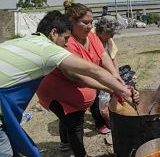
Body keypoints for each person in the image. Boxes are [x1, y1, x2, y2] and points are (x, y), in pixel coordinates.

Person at [0, 10, 135, 157]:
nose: (66, 45)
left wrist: (115, 83)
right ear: (53, 33)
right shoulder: (48, 49)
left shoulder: (26, 41)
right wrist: (122, 90)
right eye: (65, 38)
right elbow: (92, 70)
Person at [36, 3, 138, 157]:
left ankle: (65, 143)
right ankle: (80, 154)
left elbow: (104, 56)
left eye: (91, 22)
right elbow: (78, 77)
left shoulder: (91, 36)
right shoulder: (66, 43)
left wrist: (117, 77)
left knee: (68, 120)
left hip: (79, 85)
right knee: (74, 123)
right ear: (71, 21)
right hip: (57, 90)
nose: (90, 26)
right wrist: (113, 88)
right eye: (85, 22)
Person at [90, 16, 121, 134]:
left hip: (103, 71)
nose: (112, 37)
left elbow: (113, 57)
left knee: (106, 96)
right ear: (103, 30)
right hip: (92, 70)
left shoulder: (107, 39)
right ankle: (99, 123)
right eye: (111, 33)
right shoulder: (90, 36)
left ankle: (108, 117)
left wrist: (116, 74)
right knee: (95, 98)